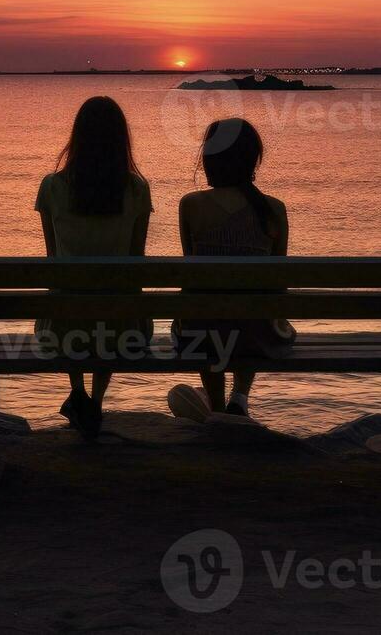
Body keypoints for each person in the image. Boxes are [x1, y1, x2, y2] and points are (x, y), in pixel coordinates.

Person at [35, 96, 152, 439]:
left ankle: (78, 391)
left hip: (61, 330)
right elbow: (136, 265)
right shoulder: (137, 189)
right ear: (121, 140)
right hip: (123, 331)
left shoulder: (52, 187)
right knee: (114, 306)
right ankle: (96, 401)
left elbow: (53, 261)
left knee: (70, 298)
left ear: (78, 137)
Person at [170, 118, 294, 420]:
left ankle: (215, 404)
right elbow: (278, 284)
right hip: (258, 336)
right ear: (253, 159)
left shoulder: (191, 205)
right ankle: (239, 397)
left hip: (202, 335)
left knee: (203, 314)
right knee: (252, 313)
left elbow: (192, 279)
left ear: (209, 158)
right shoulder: (273, 210)